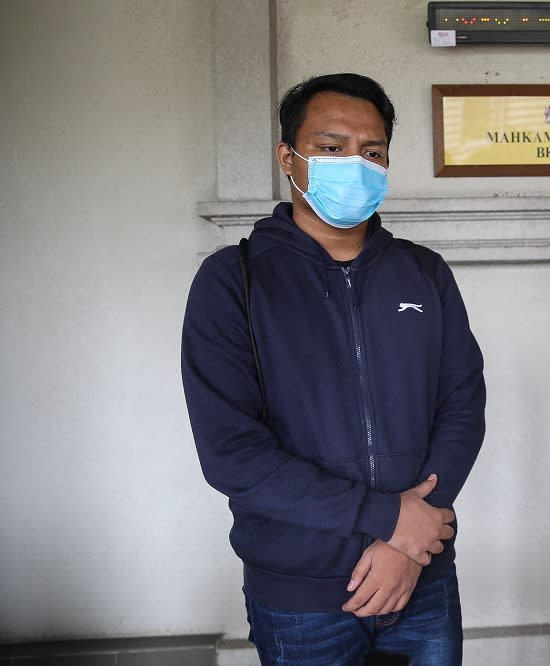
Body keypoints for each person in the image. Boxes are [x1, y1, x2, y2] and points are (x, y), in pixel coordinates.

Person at [181, 73, 486, 666]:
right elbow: (232, 452)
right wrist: (385, 518)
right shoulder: (233, 282)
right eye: (331, 147)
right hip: (301, 596)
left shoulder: (423, 273)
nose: (356, 163)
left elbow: (462, 405)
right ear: (287, 158)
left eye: (372, 152)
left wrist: (408, 542)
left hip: (423, 578)